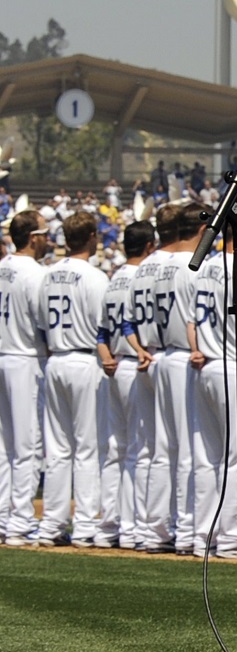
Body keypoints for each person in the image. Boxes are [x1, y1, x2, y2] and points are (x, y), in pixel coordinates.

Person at [131, 203, 203, 555]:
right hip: (179, 356)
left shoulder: (147, 266)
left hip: (150, 354)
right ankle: (186, 528)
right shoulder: (186, 266)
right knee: (187, 447)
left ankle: (154, 528)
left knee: (159, 449)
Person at [35, 213, 107, 545]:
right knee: (87, 447)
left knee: (58, 448)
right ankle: (86, 526)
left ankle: (51, 524)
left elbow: (38, 323)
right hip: (84, 359)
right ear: (91, 236)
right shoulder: (94, 277)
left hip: (55, 359)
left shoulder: (47, 275)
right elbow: (103, 328)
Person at [183, 210, 237, 560]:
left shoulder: (205, 266)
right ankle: (231, 537)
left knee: (207, 455)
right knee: (236, 457)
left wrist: (195, 348)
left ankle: (201, 535)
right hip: (232, 363)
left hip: (203, 361)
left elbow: (191, 321)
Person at [99, 221, 155, 549]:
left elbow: (101, 332)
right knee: (140, 448)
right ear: (149, 246)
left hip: (114, 364)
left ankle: (111, 526)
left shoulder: (114, 278)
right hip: (135, 362)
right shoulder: (142, 276)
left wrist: (106, 357)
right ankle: (133, 528)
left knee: (116, 449)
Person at [0, 213, 49, 545]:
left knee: (4, 446)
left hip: (3, 353)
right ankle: (19, 521)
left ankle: (5, 516)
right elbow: (45, 325)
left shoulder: (2, 265)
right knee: (28, 445)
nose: (49, 239)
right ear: (33, 237)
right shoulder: (36, 274)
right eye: (45, 233)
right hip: (25, 357)